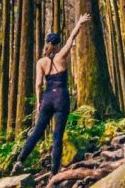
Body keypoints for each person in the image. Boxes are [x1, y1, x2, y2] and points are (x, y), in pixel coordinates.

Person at [12, 12, 91, 176]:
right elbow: (72, 38)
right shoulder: (61, 56)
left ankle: (20, 160)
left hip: (47, 98)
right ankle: (54, 174)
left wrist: (39, 101)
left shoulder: (41, 62)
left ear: (47, 44)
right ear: (57, 45)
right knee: (57, 136)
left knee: (37, 132)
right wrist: (80, 23)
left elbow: (38, 84)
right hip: (62, 98)